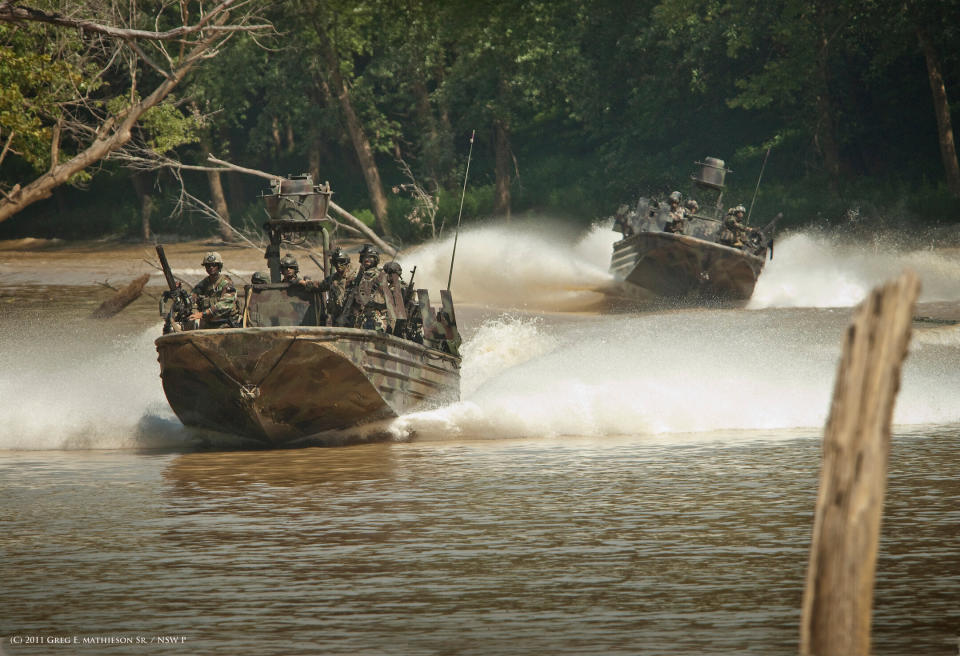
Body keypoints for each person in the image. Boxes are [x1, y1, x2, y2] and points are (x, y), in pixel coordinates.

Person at [298, 247, 354, 324]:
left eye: (341, 262)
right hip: (337, 318)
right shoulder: (333, 278)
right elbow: (319, 286)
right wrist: (303, 283)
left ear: (347, 262)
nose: (338, 265)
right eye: (336, 262)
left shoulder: (355, 278)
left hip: (352, 318)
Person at [340, 244, 387, 332]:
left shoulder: (377, 275)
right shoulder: (359, 276)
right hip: (359, 318)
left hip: (373, 318)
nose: (367, 259)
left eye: (370, 257)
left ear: (375, 259)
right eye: (365, 257)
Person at [188, 251, 240, 328]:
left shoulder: (226, 283)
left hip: (226, 322)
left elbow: (225, 305)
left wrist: (203, 314)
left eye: (214, 265)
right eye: (208, 265)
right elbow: (193, 295)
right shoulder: (205, 282)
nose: (211, 267)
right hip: (209, 322)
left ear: (219, 266)